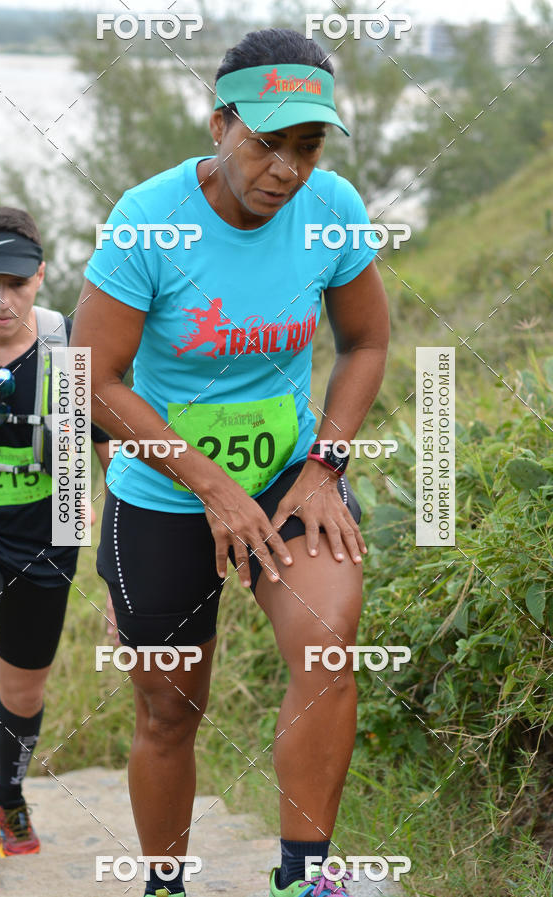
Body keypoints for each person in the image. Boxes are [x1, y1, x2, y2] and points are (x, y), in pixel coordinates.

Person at [72, 27, 390, 897]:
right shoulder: (149, 219)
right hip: (165, 493)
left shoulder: (332, 208)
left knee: (327, 652)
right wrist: (212, 487)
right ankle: (165, 884)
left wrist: (325, 464)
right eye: (265, 142)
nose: (286, 169)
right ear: (219, 125)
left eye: (308, 145)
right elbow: (93, 379)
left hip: (290, 479)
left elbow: (365, 342)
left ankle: (301, 879)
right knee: (170, 712)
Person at [0, 207, 110, 895]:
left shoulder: (68, 347)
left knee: (24, 689)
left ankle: (9, 791)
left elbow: (110, 455)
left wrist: (121, 566)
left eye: (16, 282)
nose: (2, 299)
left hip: (51, 536)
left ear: (41, 276)